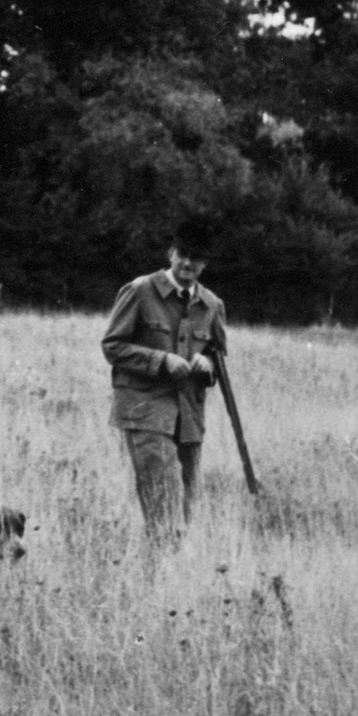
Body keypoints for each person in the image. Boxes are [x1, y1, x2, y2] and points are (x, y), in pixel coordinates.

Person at [101, 226, 228, 539]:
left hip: (189, 417)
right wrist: (161, 362)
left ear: (205, 264)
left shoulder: (212, 306)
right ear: (171, 253)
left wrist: (207, 364)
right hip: (144, 409)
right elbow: (113, 346)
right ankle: (160, 565)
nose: (187, 264)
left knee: (186, 502)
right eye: (182, 254)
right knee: (162, 494)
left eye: (196, 259)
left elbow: (219, 361)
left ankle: (174, 571)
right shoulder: (140, 290)